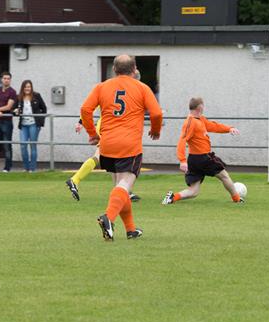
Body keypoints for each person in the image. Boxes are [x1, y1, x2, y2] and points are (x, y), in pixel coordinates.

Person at [80, 55, 162, 241]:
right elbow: (156, 113)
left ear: (114, 69)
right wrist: (156, 130)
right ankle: (108, 218)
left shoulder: (101, 87)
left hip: (107, 145)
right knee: (126, 184)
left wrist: (92, 133)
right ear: (134, 69)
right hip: (129, 144)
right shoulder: (142, 88)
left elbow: (85, 110)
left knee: (119, 186)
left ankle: (130, 229)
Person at [66, 68, 143, 202]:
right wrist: (81, 121)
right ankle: (75, 179)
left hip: (110, 127)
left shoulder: (111, 87)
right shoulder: (130, 91)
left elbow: (90, 106)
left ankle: (121, 190)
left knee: (112, 159)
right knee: (100, 156)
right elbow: (89, 107)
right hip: (110, 128)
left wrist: (80, 122)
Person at [162, 97, 243, 205]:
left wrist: (229, 129)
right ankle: (237, 199)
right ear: (200, 107)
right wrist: (182, 160)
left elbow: (214, 126)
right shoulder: (190, 122)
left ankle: (172, 197)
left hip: (195, 160)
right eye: (203, 105)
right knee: (224, 176)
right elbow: (182, 140)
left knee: (193, 192)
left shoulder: (200, 119)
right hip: (203, 158)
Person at [14, 79, 47, 172]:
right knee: (23, 145)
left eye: (29, 87)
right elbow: (13, 110)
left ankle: (32, 169)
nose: (27, 88)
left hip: (34, 125)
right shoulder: (19, 97)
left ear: (31, 88)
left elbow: (44, 109)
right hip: (23, 125)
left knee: (33, 145)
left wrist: (40, 121)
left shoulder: (36, 96)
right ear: (22, 88)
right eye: (25, 87)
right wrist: (15, 111)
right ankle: (26, 168)